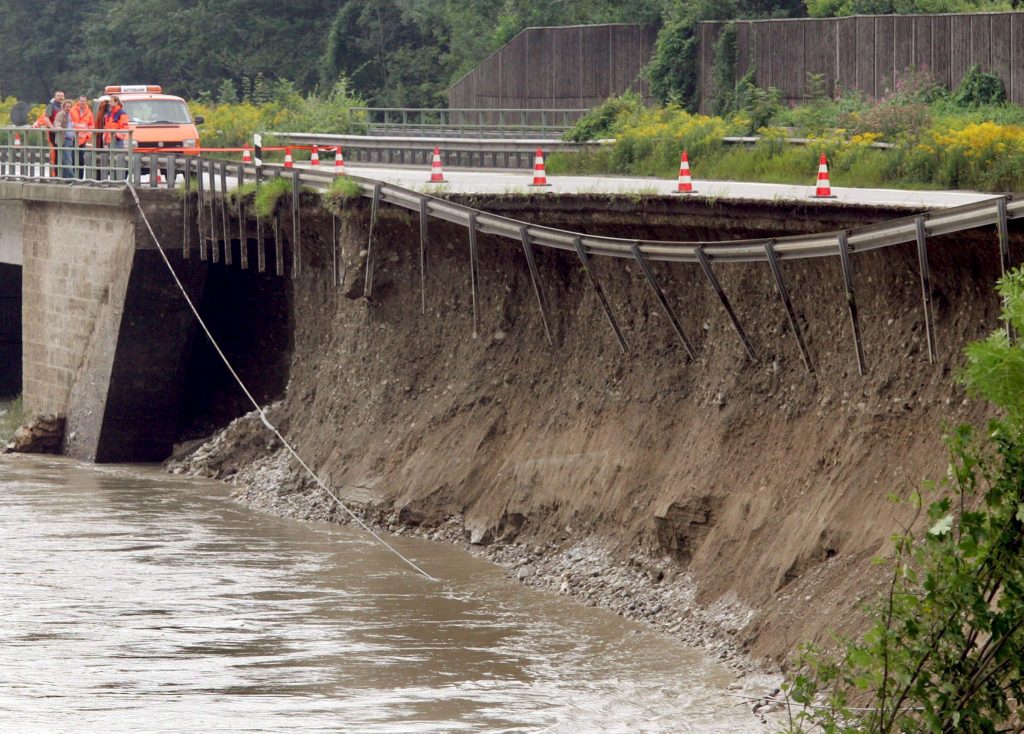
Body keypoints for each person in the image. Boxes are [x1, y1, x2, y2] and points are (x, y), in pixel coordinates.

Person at [103, 96, 130, 179]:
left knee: (119, 161)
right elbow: (107, 128)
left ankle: (120, 180)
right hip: (110, 141)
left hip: (117, 141)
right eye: (109, 101)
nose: (109, 103)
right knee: (112, 162)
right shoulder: (110, 113)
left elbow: (125, 128)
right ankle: (114, 180)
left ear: (116, 102)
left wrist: (116, 135)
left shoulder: (122, 113)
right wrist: (105, 141)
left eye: (111, 101)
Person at [69, 95, 94, 179]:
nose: (83, 103)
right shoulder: (72, 110)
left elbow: (91, 126)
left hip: (82, 140)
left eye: (84, 101)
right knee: (72, 160)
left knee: (81, 160)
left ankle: (80, 178)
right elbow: (69, 124)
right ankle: (72, 177)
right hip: (72, 139)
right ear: (78, 101)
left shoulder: (89, 113)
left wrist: (87, 136)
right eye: (81, 101)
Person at [52, 100, 75, 178]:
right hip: (64, 140)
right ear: (63, 107)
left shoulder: (69, 115)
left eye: (69, 107)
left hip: (70, 139)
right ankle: (73, 178)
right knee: (68, 160)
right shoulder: (61, 114)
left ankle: (65, 178)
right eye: (67, 107)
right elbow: (57, 122)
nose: (68, 108)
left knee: (66, 160)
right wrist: (58, 127)